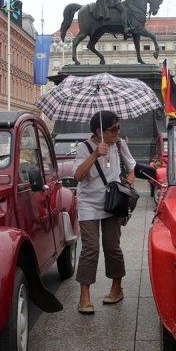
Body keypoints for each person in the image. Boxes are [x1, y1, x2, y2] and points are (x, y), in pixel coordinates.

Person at [73, 111, 136, 314]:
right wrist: (94, 155)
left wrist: (127, 183)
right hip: (89, 204)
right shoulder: (83, 148)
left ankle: (117, 288)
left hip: (112, 204)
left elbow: (132, 168)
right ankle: (84, 296)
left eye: (118, 127)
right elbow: (77, 176)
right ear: (99, 131)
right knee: (90, 248)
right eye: (113, 129)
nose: (118, 132)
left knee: (112, 247)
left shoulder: (119, 145)